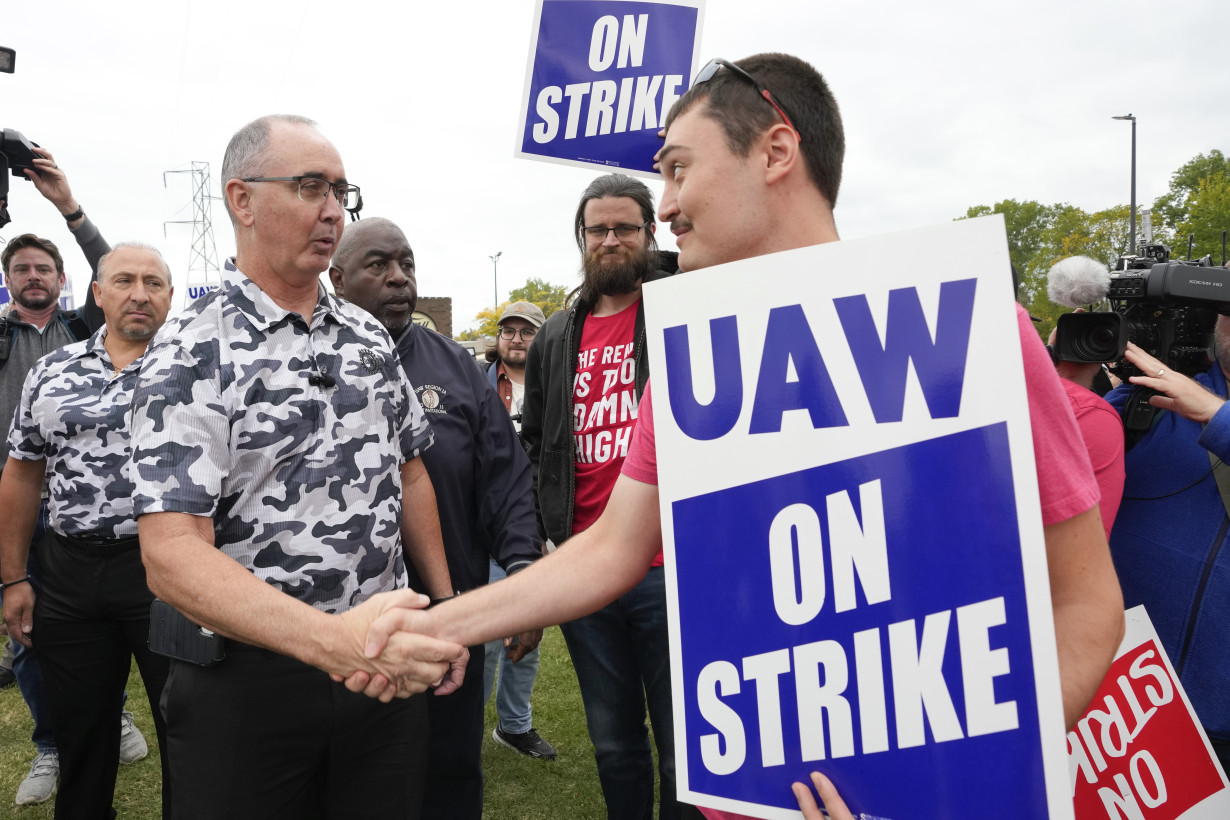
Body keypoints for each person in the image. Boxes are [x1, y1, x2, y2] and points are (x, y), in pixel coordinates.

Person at [354, 53, 1123, 815]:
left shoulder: (974, 325)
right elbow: (610, 548)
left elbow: (1086, 606)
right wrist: (436, 625)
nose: (665, 205)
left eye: (679, 169)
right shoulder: (696, 361)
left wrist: (928, 789)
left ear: (776, 152)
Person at [127, 115, 466, 820]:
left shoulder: (369, 337)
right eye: (310, 186)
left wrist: (447, 610)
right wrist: (329, 644)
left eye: (342, 191)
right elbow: (169, 555)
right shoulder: (190, 349)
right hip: (247, 684)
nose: (333, 211)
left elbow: (409, 473)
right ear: (241, 200)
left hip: (381, 673)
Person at [328, 217, 546, 818]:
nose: (399, 279)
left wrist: (525, 575)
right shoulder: (306, 364)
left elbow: (505, 478)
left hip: (449, 609)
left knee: (449, 765)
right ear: (337, 278)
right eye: (379, 265)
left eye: (407, 265)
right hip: (344, 621)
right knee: (359, 775)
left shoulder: (457, 370)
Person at [516, 172, 681, 819]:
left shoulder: (682, 303)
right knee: (613, 744)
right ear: (582, 237)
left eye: (625, 228)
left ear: (650, 232)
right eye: (598, 229)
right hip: (587, 571)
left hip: (671, 566)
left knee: (684, 745)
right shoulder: (557, 333)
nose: (611, 240)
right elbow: (534, 448)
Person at [0, 243, 174, 819]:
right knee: (80, 735)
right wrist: (13, 578)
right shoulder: (51, 372)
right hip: (70, 570)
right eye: (123, 280)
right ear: (98, 294)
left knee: (188, 728)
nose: (140, 293)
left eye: (154, 282)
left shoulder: (198, 370)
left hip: (171, 570)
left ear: (170, 298)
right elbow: (23, 475)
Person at [1105, 336, 1230, 772]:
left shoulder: (1197, 401)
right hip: (1116, 713)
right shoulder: (1151, 401)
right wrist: (1068, 380)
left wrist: (1217, 416)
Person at [480, 300, 558, 762]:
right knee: (487, 638)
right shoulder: (476, 381)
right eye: (507, 331)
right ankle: (464, 731)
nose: (515, 338)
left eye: (525, 331)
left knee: (527, 638)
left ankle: (514, 725)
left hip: (536, 527)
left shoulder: (554, 383)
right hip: (487, 528)